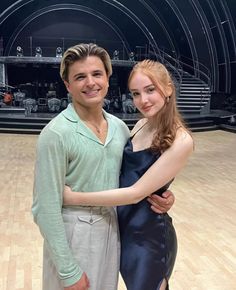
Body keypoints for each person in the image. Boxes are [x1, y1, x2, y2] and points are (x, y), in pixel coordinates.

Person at [32, 44, 175, 290]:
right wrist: (68, 271)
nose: (90, 83)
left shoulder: (120, 128)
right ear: (68, 85)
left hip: (112, 233)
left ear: (107, 79)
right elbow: (44, 209)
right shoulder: (55, 134)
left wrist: (164, 195)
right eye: (80, 77)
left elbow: (132, 179)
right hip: (73, 237)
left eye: (96, 74)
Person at [63, 59, 194, 290]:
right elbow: (131, 173)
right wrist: (166, 194)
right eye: (136, 93)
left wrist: (74, 197)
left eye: (150, 90)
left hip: (149, 239)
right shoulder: (141, 124)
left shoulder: (181, 140)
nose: (143, 100)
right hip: (123, 232)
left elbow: (135, 193)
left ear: (168, 88)